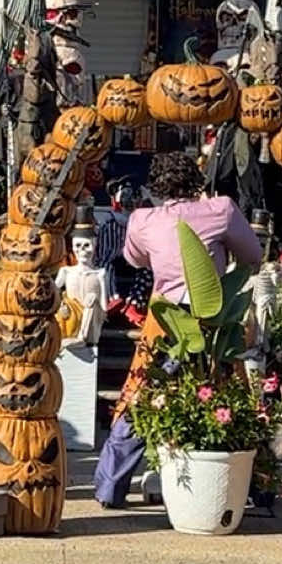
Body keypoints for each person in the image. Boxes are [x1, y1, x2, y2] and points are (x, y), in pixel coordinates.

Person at [94, 152, 263, 508]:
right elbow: (252, 256)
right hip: (212, 319)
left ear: (157, 186)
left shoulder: (143, 219)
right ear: (196, 182)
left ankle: (110, 487)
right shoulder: (221, 209)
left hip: (165, 317)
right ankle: (249, 487)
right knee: (227, 394)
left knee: (140, 394)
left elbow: (134, 258)